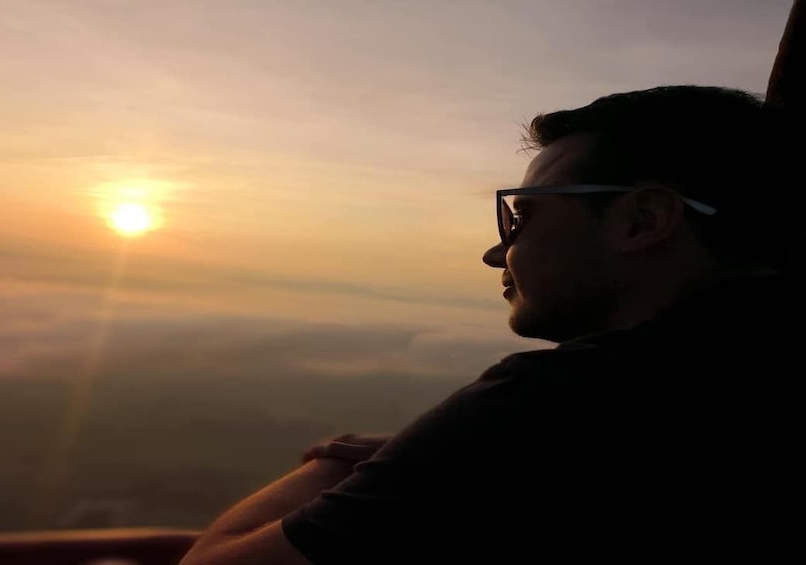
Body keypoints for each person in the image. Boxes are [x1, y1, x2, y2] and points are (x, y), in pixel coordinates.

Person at [178, 85, 806, 564]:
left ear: (642, 221)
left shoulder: (560, 402)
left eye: (520, 220)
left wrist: (343, 464)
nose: (496, 254)